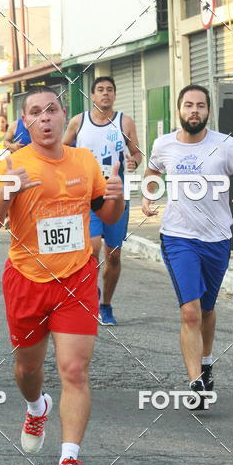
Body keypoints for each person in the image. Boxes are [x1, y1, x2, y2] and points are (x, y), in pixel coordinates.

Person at [0, 87, 125, 465]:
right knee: (28, 368)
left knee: (75, 369)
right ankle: (35, 405)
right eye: (36, 113)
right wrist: (8, 190)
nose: (45, 118)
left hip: (77, 277)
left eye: (52, 110)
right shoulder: (10, 164)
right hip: (27, 279)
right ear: (25, 123)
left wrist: (118, 196)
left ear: (64, 117)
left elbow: (106, 214)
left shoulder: (84, 160)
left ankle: (68, 461)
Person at [142, 84, 233, 407]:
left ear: (209, 111)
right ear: (179, 110)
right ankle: (195, 382)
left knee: (207, 309)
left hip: (217, 238)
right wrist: (149, 195)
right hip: (178, 237)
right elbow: (152, 172)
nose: (194, 110)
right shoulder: (164, 144)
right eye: (188, 105)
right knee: (190, 311)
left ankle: (206, 363)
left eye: (201, 106)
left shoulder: (225, 146)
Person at [63, 76, 142, 326]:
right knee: (92, 249)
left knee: (115, 255)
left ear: (115, 95)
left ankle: (106, 304)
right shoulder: (79, 121)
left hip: (116, 195)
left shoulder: (124, 122)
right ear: (92, 96)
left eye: (109, 90)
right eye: (100, 90)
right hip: (88, 196)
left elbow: (137, 152)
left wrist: (134, 161)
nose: (105, 94)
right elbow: (62, 149)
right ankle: (91, 294)